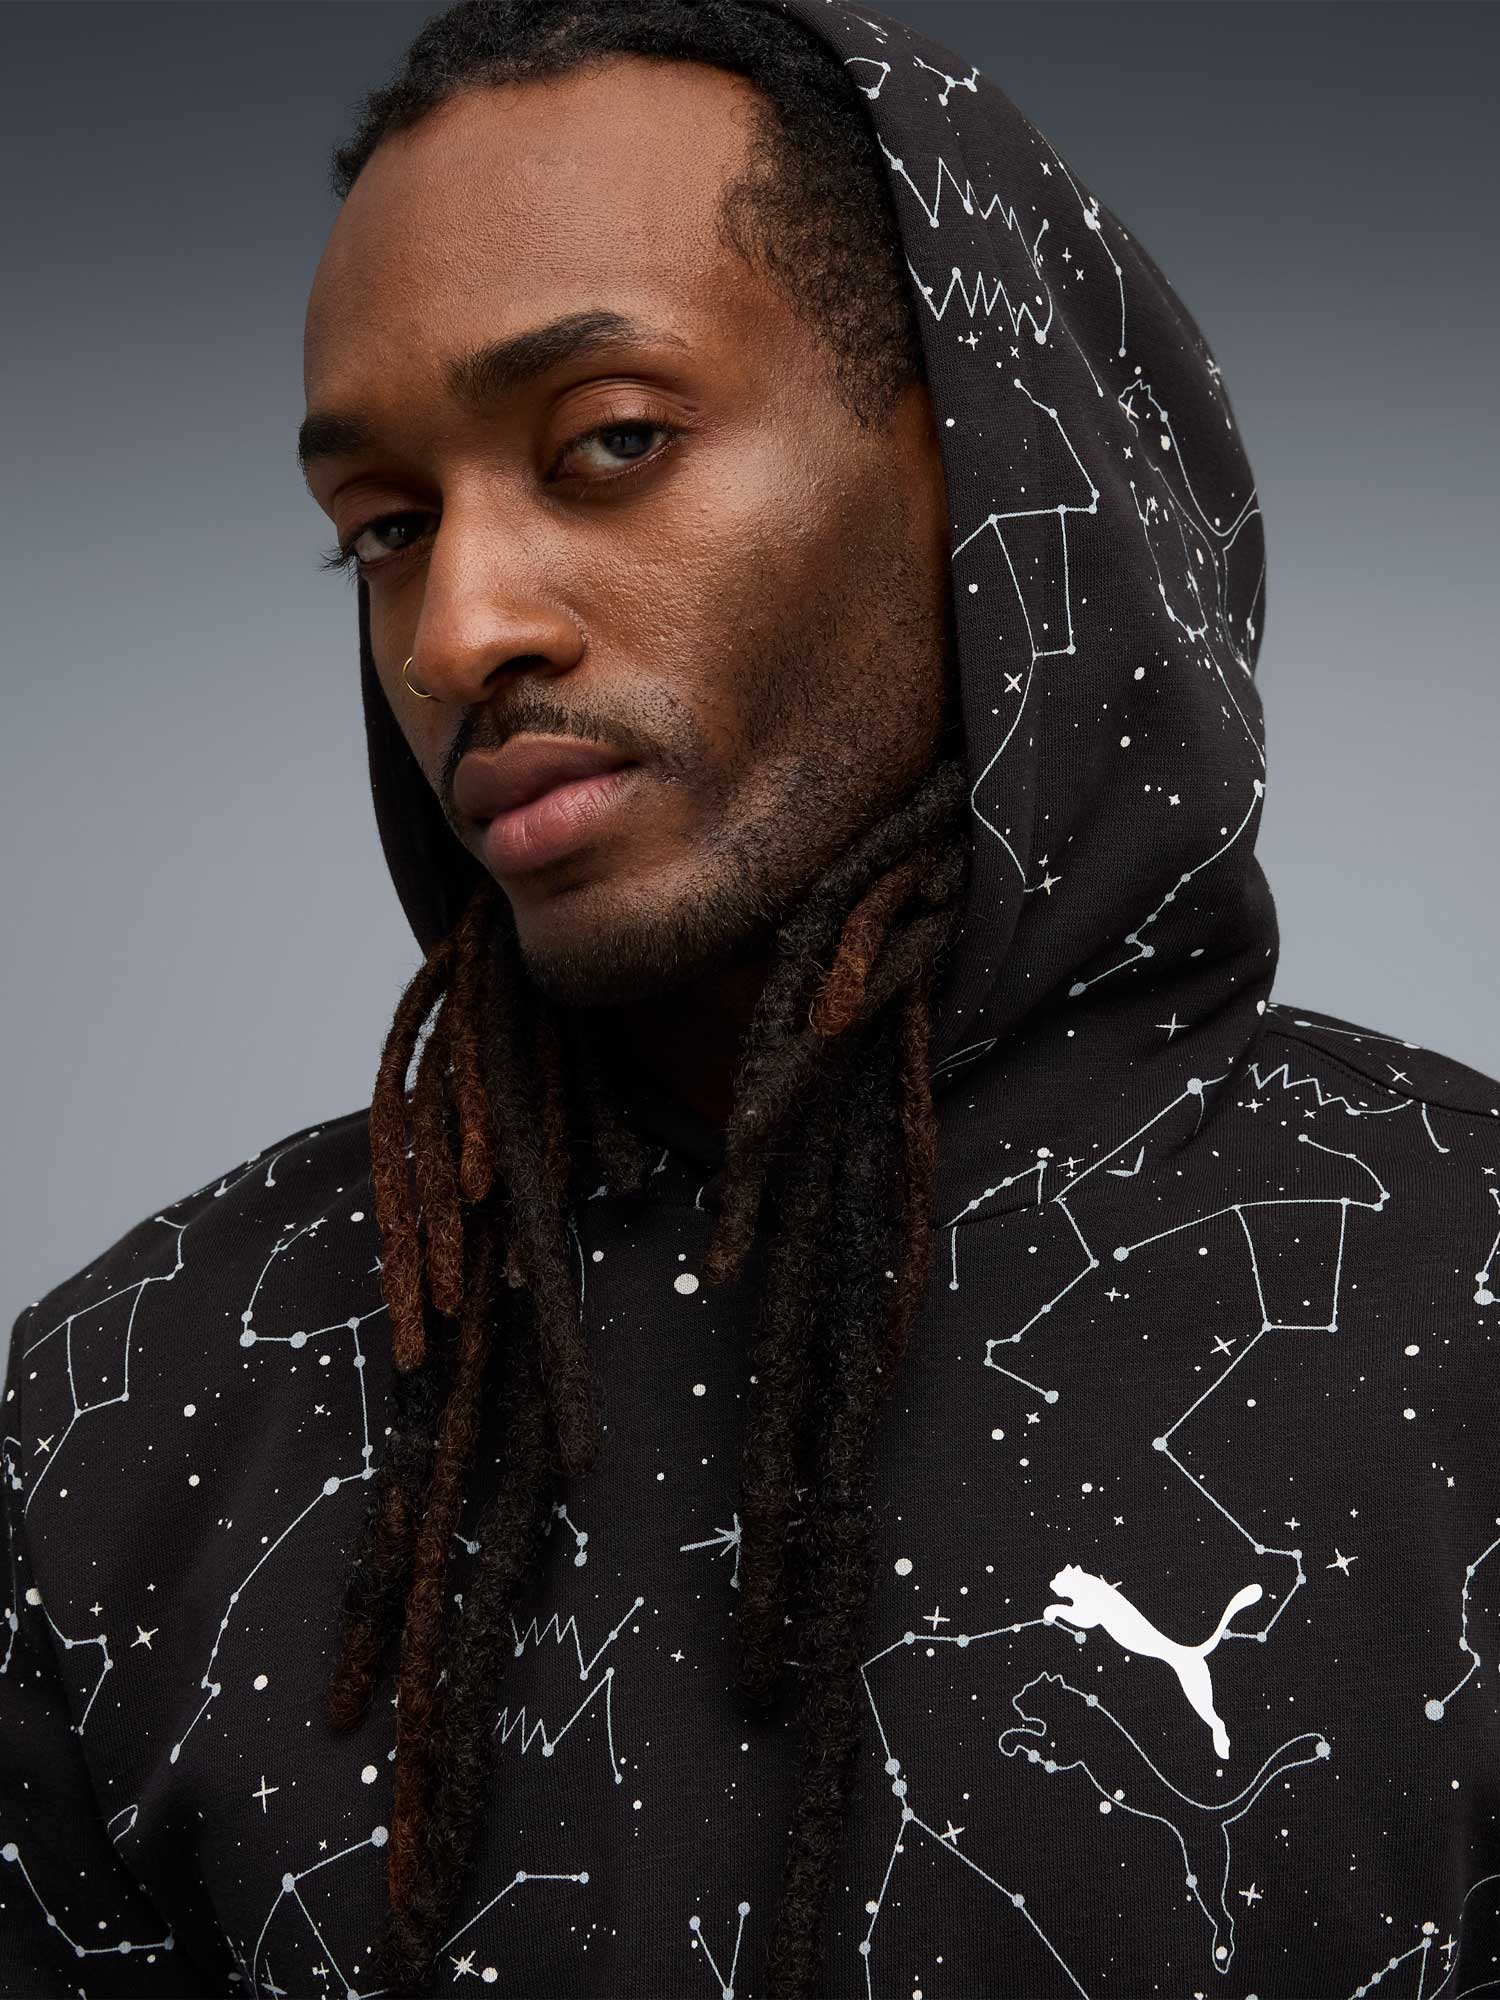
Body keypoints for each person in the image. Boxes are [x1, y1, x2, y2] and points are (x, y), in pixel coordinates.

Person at [3, 0, 1497, 1994]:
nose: (458, 630)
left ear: (986, 465)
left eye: (611, 442)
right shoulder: (124, 1422)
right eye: (386, 527)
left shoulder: (1464, 1300)